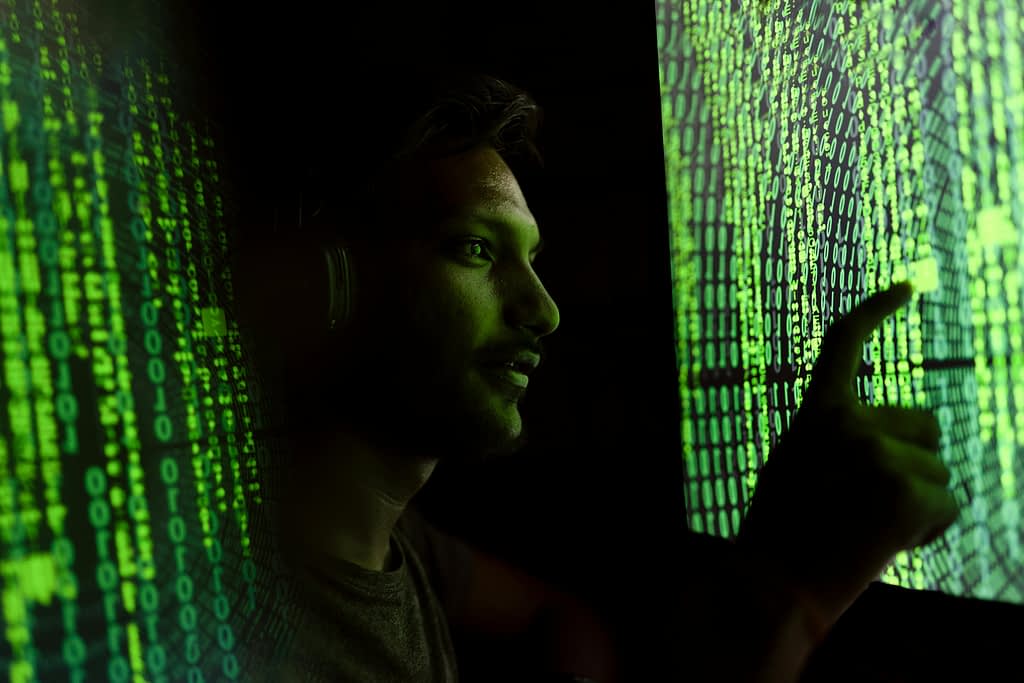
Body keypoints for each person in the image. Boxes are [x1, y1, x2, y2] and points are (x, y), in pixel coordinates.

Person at [231, 62, 963, 682]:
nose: (543, 310)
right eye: (476, 251)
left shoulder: (393, 539)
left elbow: (556, 613)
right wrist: (787, 586)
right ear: (322, 286)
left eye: (532, 259)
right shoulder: (253, 625)